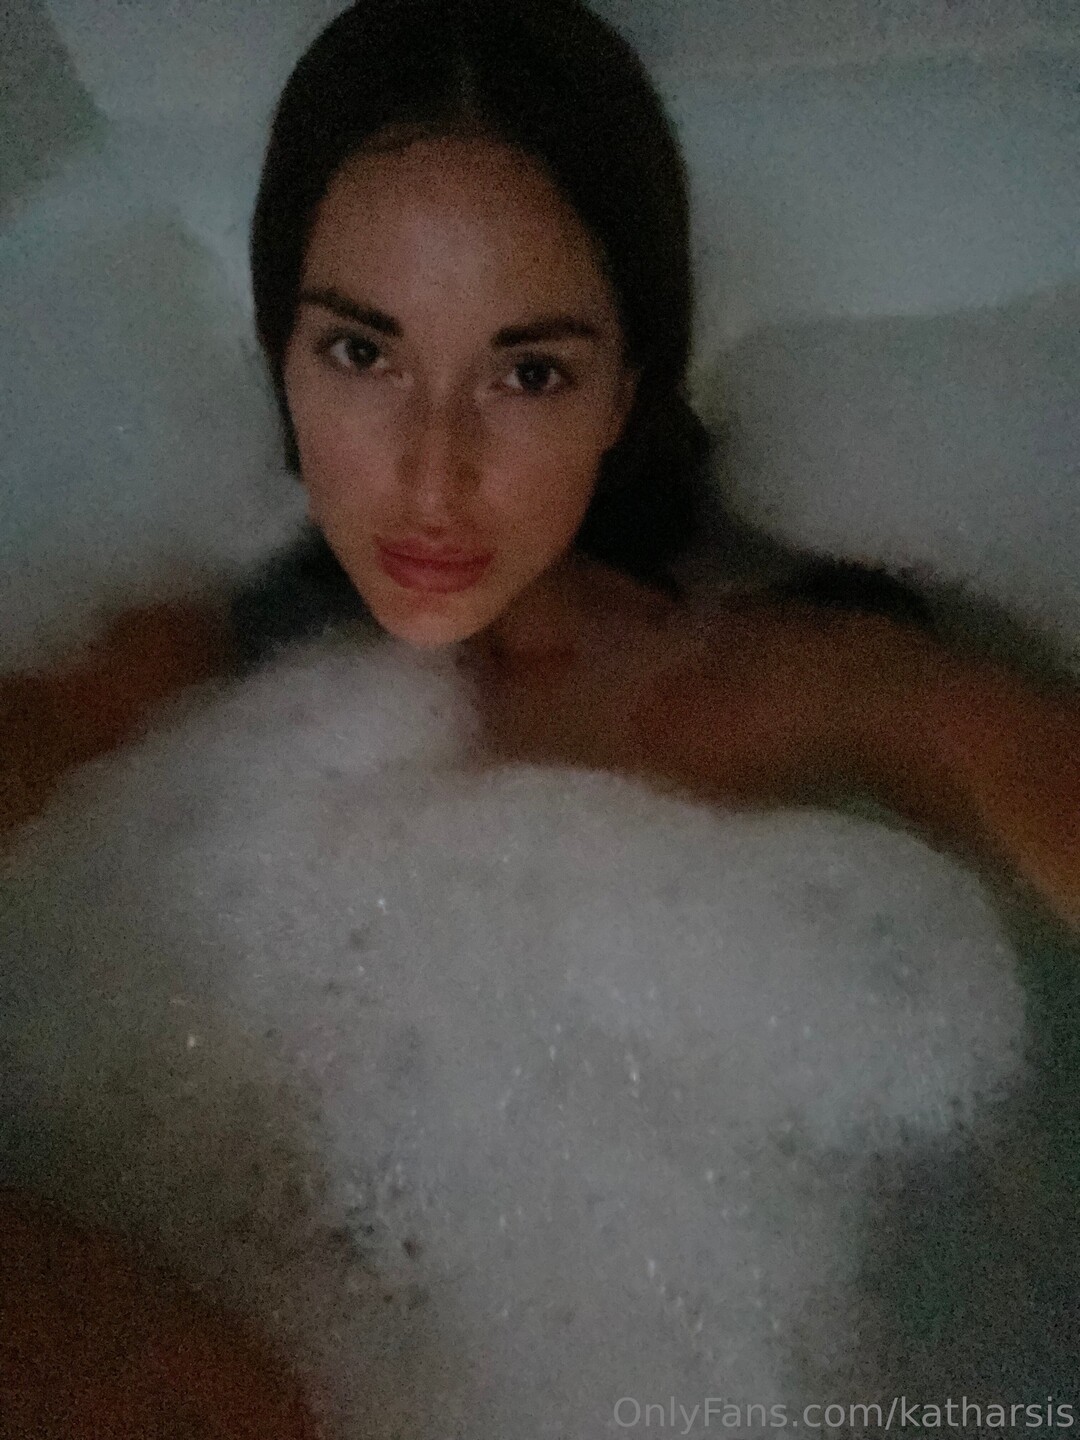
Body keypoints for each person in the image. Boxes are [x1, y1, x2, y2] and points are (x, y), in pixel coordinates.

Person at [0, 0, 1077, 1431]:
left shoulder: (795, 679)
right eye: (362, 353)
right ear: (279, 351)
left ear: (626, 392)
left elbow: (999, 752)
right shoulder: (167, 656)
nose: (430, 473)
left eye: (529, 373)